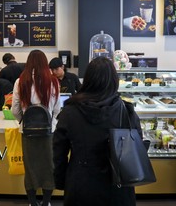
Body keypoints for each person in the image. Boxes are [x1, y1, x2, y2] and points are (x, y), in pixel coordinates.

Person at [53, 56, 142, 206]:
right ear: (114, 80)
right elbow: (138, 147)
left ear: (88, 80)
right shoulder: (126, 111)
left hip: (81, 186)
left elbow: (58, 153)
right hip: (118, 187)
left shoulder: (70, 111)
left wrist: (61, 182)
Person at [11, 50, 61, 206]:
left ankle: (32, 203)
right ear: (45, 63)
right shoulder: (53, 81)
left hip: (27, 133)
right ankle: (46, 203)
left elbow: (15, 110)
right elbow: (57, 110)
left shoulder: (21, 81)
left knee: (30, 167)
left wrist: (24, 122)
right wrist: (51, 124)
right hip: (48, 133)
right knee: (48, 167)